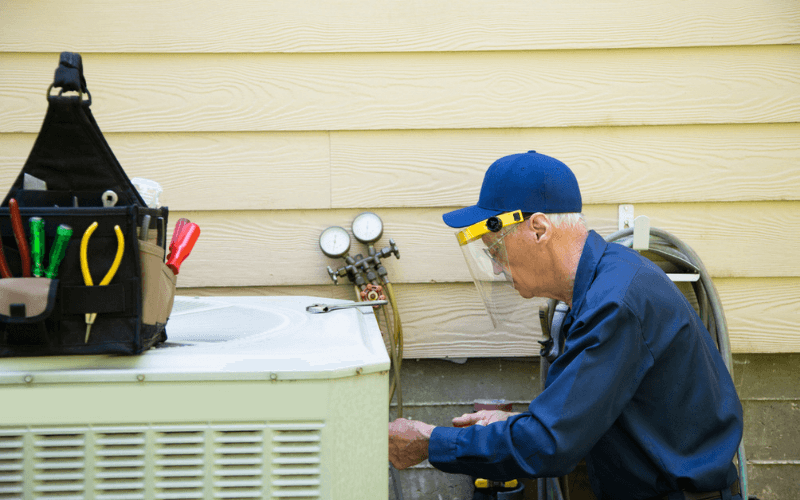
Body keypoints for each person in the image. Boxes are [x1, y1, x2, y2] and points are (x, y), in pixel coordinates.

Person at [388, 151, 744, 500]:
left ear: (539, 229)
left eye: (496, 250)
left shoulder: (614, 304)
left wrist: (430, 441)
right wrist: (516, 424)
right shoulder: (603, 284)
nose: (497, 268)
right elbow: (577, 414)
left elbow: (548, 443)